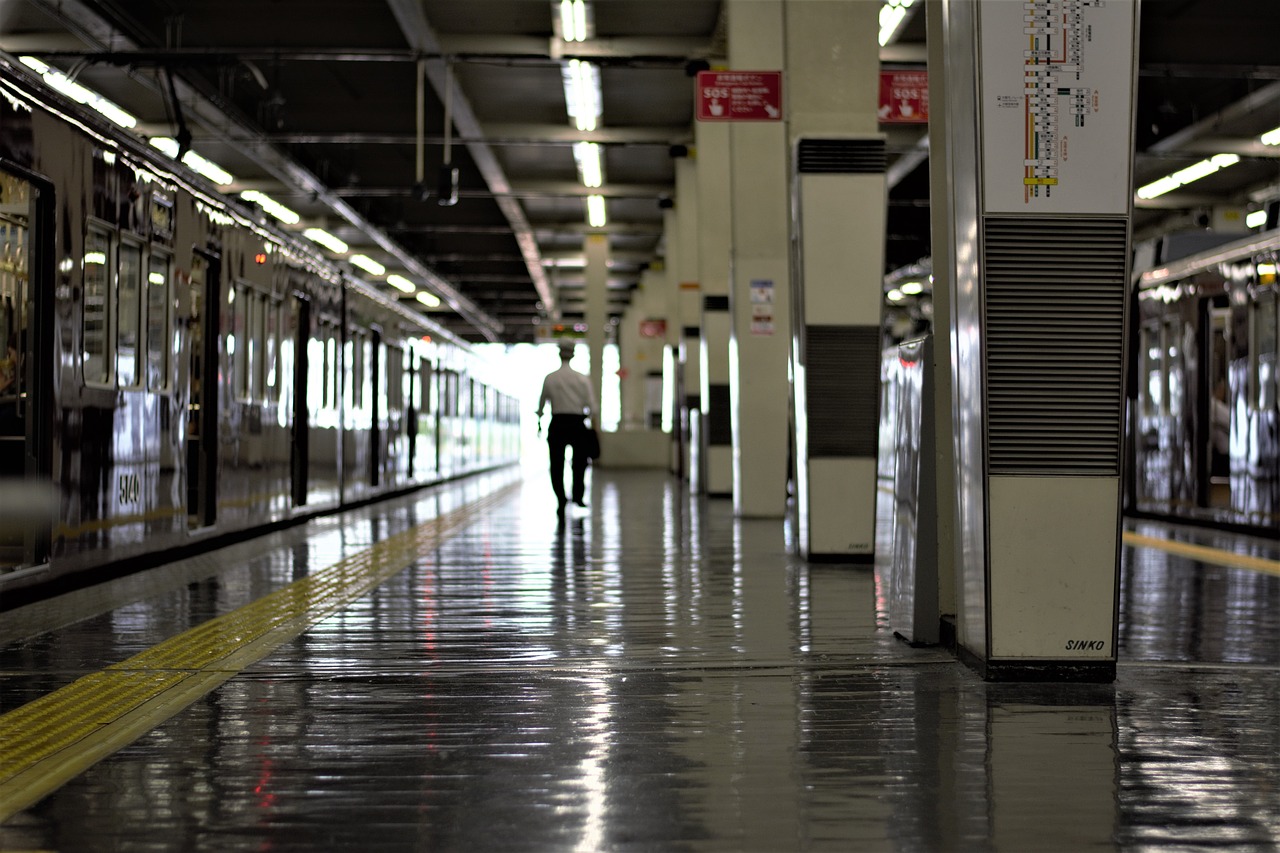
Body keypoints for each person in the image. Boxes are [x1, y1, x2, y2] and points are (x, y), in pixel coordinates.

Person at [537, 343, 597, 517]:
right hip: (578, 424)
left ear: (559, 355)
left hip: (557, 423)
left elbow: (541, 405)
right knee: (579, 464)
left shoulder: (550, 378)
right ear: (573, 355)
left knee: (556, 464)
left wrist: (540, 419)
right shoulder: (582, 379)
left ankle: (561, 500)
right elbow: (593, 407)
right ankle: (578, 496)